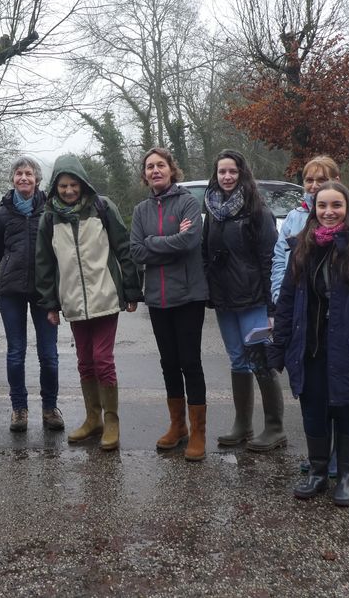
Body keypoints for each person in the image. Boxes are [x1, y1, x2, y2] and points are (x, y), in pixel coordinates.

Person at [267, 181, 349, 506]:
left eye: (336, 205)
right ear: (314, 210)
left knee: (346, 410)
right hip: (308, 349)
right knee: (313, 411)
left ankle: (346, 476)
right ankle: (317, 471)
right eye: (322, 206)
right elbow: (285, 302)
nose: (329, 212)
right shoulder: (302, 247)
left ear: (348, 209)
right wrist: (278, 345)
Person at [34, 155, 141, 452]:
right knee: (85, 361)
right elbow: (44, 264)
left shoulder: (103, 208)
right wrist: (50, 305)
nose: (68, 191)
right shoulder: (49, 218)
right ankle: (92, 417)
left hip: (105, 297)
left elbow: (124, 247)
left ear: (82, 183)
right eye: (63, 186)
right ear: (55, 187)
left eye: (73, 184)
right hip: (72, 301)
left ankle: (112, 421)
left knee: (102, 359)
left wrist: (131, 291)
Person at [130, 147, 210, 462]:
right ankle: (177, 427)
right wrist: (164, 243)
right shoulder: (140, 211)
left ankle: (199, 432)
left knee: (190, 362)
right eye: (149, 167)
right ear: (145, 174)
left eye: (160, 165)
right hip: (158, 299)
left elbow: (190, 241)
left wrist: (153, 244)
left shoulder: (188, 202)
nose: (155, 170)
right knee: (168, 363)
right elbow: (136, 250)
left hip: (189, 296)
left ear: (171, 170)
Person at [200, 150, 280, 449]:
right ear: (216, 175)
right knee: (237, 360)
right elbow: (206, 253)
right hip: (224, 300)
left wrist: (273, 306)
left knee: (259, 358)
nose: (227, 177)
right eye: (222, 172)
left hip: (253, 298)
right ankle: (242, 425)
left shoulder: (258, 211)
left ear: (242, 173)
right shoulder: (213, 211)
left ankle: (275, 427)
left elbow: (269, 260)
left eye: (232, 171)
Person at [0, 156, 63, 433]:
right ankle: (19, 409)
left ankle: (49, 408)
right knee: (16, 353)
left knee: (49, 354)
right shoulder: (3, 213)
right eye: (19, 173)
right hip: (11, 291)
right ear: (12, 179)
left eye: (28, 173)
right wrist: (12, 265)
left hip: (45, 291)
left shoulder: (50, 209)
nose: (23, 178)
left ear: (37, 179)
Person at [271, 155, 349, 304]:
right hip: (301, 302)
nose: (314, 185)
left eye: (322, 180)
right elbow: (279, 258)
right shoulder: (293, 217)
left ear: (336, 181)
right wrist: (278, 295)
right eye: (309, 180)